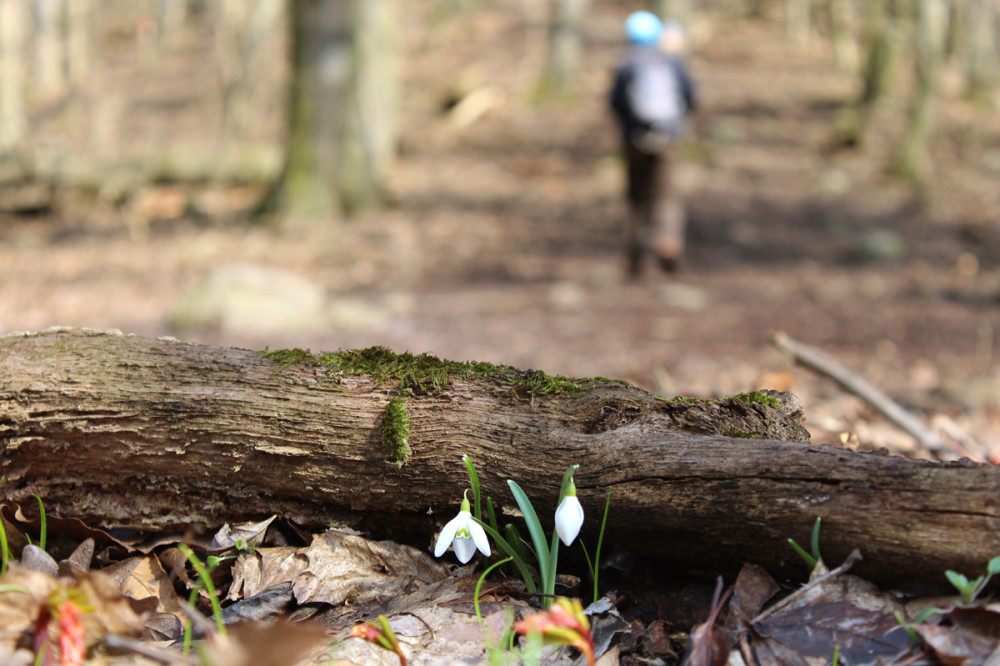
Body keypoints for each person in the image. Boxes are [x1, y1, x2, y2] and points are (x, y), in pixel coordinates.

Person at [609, 12, 696, 277]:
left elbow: (615, 104)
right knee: (667, 195)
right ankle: (668, 243)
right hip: (667, 139)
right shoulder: (670, 63)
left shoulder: (625, 64)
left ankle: (636, 253)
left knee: (636, 197)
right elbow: (690, 97)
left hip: (633, 141)